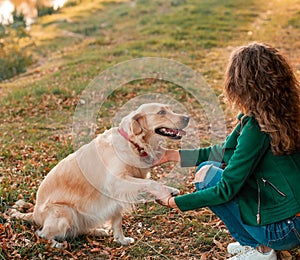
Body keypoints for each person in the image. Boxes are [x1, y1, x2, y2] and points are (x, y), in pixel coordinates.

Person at [153, 42, 300, 260]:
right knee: (208, 167)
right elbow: (224, 151)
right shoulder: (286, 110)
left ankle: (260, 250)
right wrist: (171, 155)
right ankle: (258, 243)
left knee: (208, 177)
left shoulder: (257, 127)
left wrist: (173, 202)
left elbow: (225, 190)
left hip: (284, 230)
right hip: (292, 218)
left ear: (241, 84)